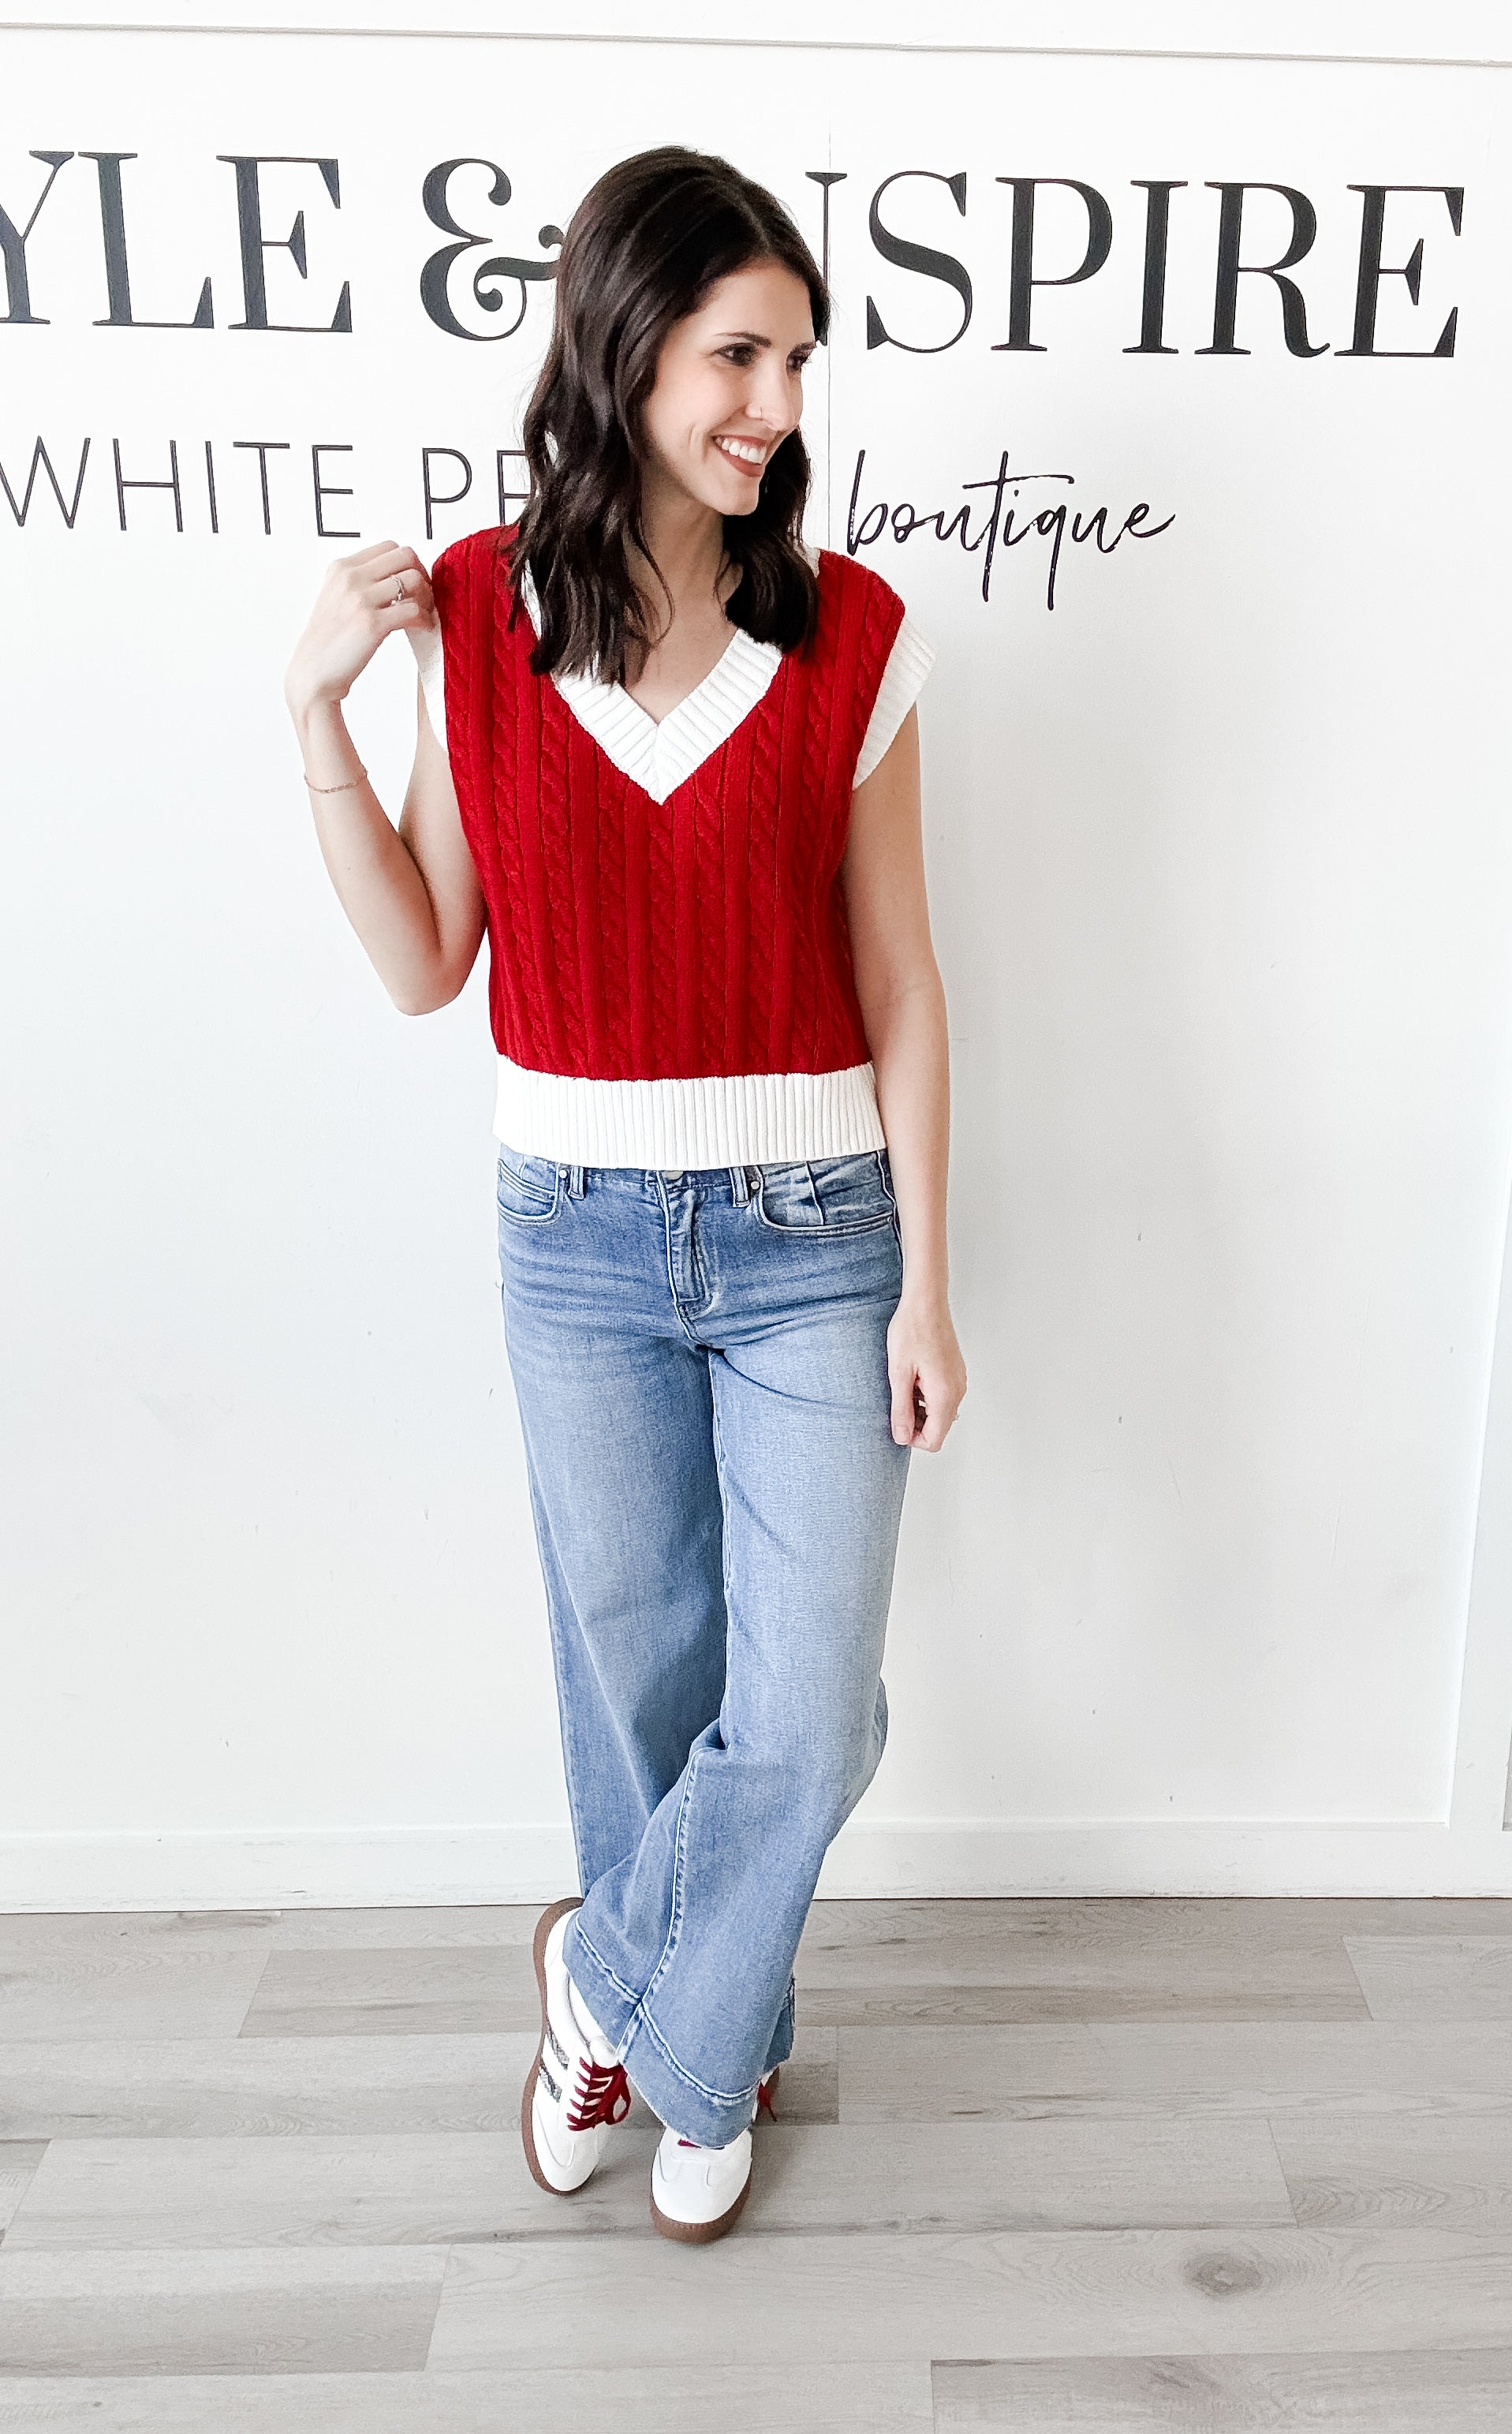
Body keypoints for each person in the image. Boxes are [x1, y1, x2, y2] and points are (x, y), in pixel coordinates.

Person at [282, 144, 966, 2242]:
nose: (778, 402)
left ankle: (608, 1984)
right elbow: (426, 965)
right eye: (740, 354)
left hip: (816, 1236)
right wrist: (313, 709)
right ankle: (709, 2052)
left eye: (799, 362)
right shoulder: (480, 617)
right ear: (628, 343)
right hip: (571, 1233)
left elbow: (900, 978)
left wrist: (930, 1284)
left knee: (810, 1705)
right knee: (643, 1681)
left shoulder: (852, 632)